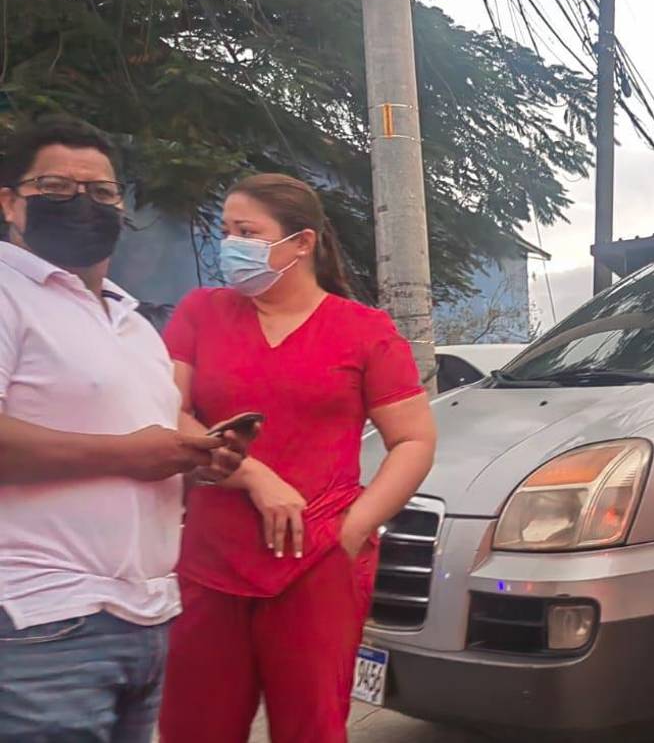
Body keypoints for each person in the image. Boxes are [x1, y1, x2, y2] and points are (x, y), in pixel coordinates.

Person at [158, 173, 437, 743]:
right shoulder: (201, 313)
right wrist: (253, 475)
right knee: (194, 726)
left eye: (247, 232)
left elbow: (414, 441)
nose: (229, 245)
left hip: (318, 562)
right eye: (225, 230)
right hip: (211, 557)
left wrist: (352, 531)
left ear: (301, 243)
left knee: (310, 727)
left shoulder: (364, 331)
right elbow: (168, 412)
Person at [0, 115, 248, 742]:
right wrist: (128, 456)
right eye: (56, 187)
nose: (83, 202)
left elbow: (148, 439)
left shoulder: (129, 320)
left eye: (103, 191)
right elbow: (129, 451)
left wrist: (192, 458)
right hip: (41, 622)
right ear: (9, 202)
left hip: (146, 618)